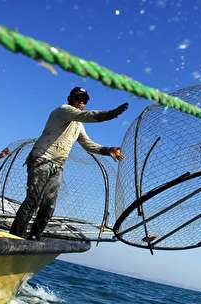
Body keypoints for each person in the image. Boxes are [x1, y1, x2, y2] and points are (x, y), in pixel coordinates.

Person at [9, 87, 128, 240]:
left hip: (58, 166)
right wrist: (110, 114)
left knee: (48, 206)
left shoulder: (79, 126)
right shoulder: (63, 110)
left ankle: (33, 238)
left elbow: (88, 145)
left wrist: (108, 150)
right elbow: (86, 115)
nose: (81, 102)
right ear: (70, 98)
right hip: (42, 159)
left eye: (84, 100)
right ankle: (15, 237)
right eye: (78, 98)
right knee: (33, 199)